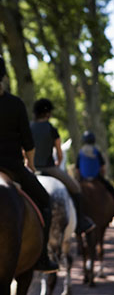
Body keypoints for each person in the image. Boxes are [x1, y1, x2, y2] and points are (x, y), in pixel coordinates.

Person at [0, 50, 58, 273]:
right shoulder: (16, 104)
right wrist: (31, 166)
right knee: (45, 202)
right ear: (3, 75)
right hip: (13, 168)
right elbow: (28, 143)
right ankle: (42, 257)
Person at [30, 99, 95, 235]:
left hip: (31, 169)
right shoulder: (51, 129)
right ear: (47, 113)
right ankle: (81, 222)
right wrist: (58, 164)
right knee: (76, 188)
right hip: (49, 168)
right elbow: (59, 153)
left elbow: (24, 150)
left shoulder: (29, 127)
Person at [76, 131, 114, 199]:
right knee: (110, 189)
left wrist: (79, 178)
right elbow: (102, 167)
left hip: (83, 179)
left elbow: (77, 169)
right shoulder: (96, 151)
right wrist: (102, 176)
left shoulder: (80, 152)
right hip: (96, 177)